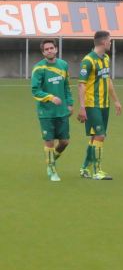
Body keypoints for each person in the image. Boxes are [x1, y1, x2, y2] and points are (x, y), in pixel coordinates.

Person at [77, 30, 122, 180]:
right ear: (103, 42)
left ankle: (84, 168)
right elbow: (81, 85)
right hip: (92, 104)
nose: (110, 42)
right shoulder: (88, 60)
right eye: (109, 40)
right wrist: (82, 107)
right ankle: (97, 171)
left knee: (95, 137)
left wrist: (115, 100)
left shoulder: (106, 58)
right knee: (100, 136)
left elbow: (107, 80)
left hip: (104, 104)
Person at [31, 40, 73, 182]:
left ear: (56, 49)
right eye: (46, 49)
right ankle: (52, 169)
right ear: (43, 52)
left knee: (65, 142)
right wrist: (50, 97)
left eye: (51, 48)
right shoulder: (38, 68)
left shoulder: (63, 65)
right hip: (46, 112)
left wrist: (70, 104)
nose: (49, 50)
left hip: (62, 111)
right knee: (49, 141)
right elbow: (35, 91)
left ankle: (51, 158)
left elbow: (67, 86)